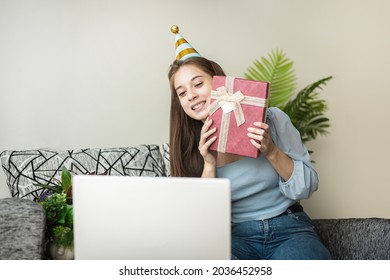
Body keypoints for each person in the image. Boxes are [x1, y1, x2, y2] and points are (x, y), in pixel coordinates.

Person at [168, 26, 332, 260]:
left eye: (197, 84)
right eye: (181, 93)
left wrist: (271, 150)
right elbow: (200, 220)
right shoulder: (188, 146)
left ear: (218, 83)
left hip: (290, 228)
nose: (191, 95)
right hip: (236, 238)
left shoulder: (272, 119)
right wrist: (209, 164)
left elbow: (307, 186)